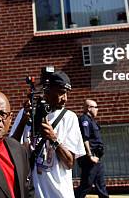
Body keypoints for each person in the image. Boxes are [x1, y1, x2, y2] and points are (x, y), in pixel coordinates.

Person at [10, 70, 85, 198]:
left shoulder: (69, 117)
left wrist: (53, 139)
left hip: (59, 194)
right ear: (48, 91)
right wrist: (23, 120)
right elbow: (11, 148)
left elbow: (69, 163)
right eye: (61, 93)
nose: (65, 99)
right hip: (32, 193)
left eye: (67, 93)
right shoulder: (26, 112)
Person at [75, 99, 109, 198]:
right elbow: (85, 138)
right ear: (89, 108)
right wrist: (90, 155)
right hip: (90, 159)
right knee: (86, 185)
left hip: (96, 158)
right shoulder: (84, 120)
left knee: (101, 185)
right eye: (96, 107)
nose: (97, 109)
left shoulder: (92, 121)